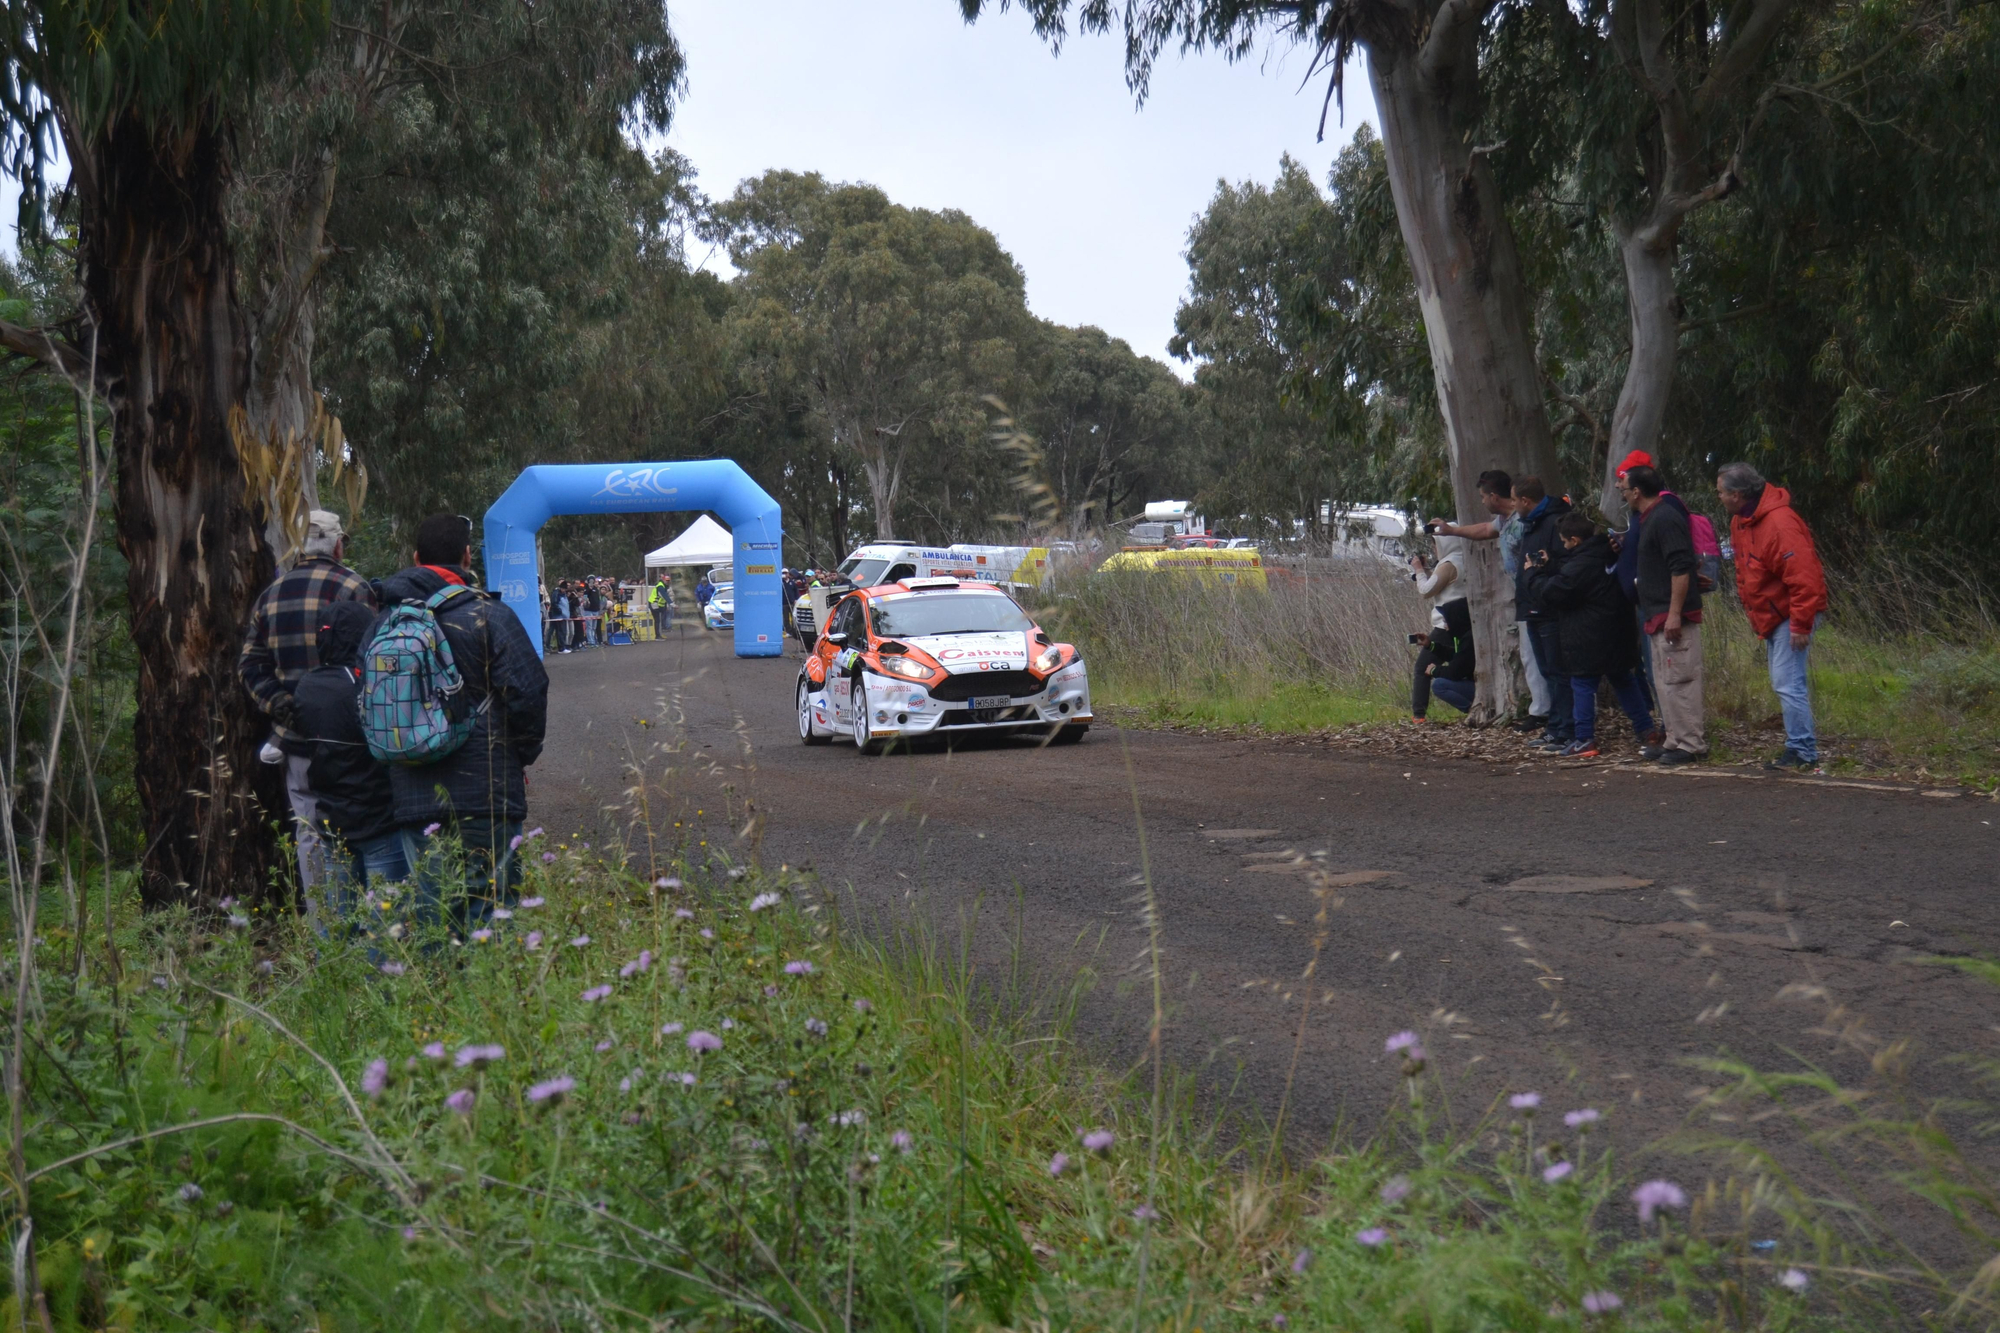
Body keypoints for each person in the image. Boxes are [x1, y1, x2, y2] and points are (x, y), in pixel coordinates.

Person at [373, 513, 550, 928]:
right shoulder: (490, 616)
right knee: (491, 914)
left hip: (413, 795)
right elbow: (529, 691)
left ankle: (441, 992)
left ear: (416, 558)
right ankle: (493, 993)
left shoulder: (385, 623)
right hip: (488, 792)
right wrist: (519, 753)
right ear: (468, 557)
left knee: (435, 918)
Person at [239, 509, 377, 895]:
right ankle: (373, 933)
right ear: (337, 545)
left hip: (295, 739)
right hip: (352, 740)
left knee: (310, 835)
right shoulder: (355, 588)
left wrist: (280, 704)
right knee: (365, 830)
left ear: (298, 547)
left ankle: (325, 936)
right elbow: (371, 660)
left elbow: (250, 664)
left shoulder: (271, 595)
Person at [294, 600, 408, 928]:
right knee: (385, 930)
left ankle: (333, 976)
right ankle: (385, 980)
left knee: (338, 924)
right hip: (380, 820)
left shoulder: (307, 686)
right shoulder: (365, 684)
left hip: (333, 822)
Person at [1718, 462, 1829, 770]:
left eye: (1721, 492)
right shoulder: (1742, 521)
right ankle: (1800, 747)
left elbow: (1804, 576)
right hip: (1776, 613)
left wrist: (1801, 622)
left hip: (1791, 612)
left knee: (1787, 682)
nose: (1719, 498)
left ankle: (1803, 751)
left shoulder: (1779, 524)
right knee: (1787, 681)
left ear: (1737, 495)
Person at [1528, 512, 1655, 758]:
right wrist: (1553, 564)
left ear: (1575, 540)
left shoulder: (1581, 564)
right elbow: (1577, 575)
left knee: (1583, 684)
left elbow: (1556, 591)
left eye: (1565, 542)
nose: (1563, 546)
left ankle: (1585, 738)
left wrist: (1533, 574)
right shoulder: (1610, 552)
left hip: (1587, 635)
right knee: (1623, 680)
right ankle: (1646, 729)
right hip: (1619, 632)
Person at [1433, 470, 1550, 730]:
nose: (1482, 502)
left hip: (1538, 595)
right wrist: (1452, 530)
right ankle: (1541, 709)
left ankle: (1546, 711)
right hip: (1524, 596)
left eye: (1483, 497)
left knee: (1539, 654)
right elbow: (1485, 529)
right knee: (1530, 655)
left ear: (1495, 497)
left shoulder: (1524, 521)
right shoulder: (1504, 520)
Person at [1622, 465, 1704, 764]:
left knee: (1681, 679)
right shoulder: (1648, 519)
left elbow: (1681, 567)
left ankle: (1691, 744)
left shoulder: (1665, 518)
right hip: (1655, 613)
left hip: (1672, 615)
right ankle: (1674, 738)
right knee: (1665, 681)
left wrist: (1674, 613)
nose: (1622, 493)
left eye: (1624, 488)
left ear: (1637, 491)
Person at [1513, 477, 1575, 749]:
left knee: (1558, 671)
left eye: (1515, 501)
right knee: (1547, 671)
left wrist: (1539, 573)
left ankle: (1566, 728)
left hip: (1549, 607)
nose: (1513, 507)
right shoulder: (1531, 523)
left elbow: (1564, 564)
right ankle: (1555, 726)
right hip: (1532, 606)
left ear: (1526, 501)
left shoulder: (1554, 522)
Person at [1411, 597, 1476, 720]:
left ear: (1456, 620)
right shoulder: (1464, 638)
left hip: (1480, 688)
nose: (1445, 626)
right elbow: (1457, 657)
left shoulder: (1469, 640)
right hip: (1475, 685)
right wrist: (1431, 645)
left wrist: (1435, 670)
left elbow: (1455, 672)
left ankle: (1474, 712)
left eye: (1446, 621)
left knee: (1439, 685)